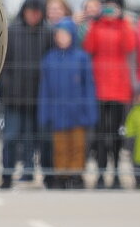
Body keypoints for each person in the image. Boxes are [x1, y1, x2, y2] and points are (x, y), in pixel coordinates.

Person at [0, 0, 51, 188]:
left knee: (32, 139)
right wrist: (5, 90)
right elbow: (2, 66)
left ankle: (29, 173)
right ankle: (6, 175)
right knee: (10, 138)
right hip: (13, 98)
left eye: (37, 12)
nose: (33, 16)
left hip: (37, 98)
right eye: (30, 11)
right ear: (24, 11)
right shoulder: (11, 32)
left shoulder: (47, 34)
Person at [37, 18, 97, 189]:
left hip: (78, 113)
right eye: (59, 35)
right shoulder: (49, 59)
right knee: (60, 146)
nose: (62, 38)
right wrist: (45, 113)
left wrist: (89, 112)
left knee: (78, 145)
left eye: (65, 35)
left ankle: (76, 175)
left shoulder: (82, 58)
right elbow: (45, 89)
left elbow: (89, 87)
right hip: (58, 114)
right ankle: (62, 175)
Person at [82, 0, 135, 188]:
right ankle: (101, 174)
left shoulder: (124, 26)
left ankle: (117, 174)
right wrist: (92, 23)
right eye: (107, 8)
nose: (110, 12)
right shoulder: (97, 26)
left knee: (116, 135)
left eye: (114, 8)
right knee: (100, 136)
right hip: (99, 88)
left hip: (119, 89)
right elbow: (89, 47)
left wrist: (124, 22)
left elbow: (130, 46)